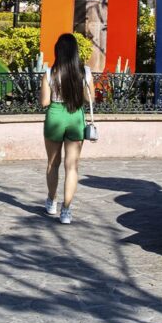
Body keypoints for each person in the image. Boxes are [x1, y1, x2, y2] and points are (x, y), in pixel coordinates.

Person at [40, 33, 94, 224]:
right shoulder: (85, 72)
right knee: (72, 167)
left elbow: (44, 102)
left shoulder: (49, 73)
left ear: (58, 51)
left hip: (55, 115)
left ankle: (51, 201)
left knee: (52, 164)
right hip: (75, 116)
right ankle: (66, 211)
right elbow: (90, 99)